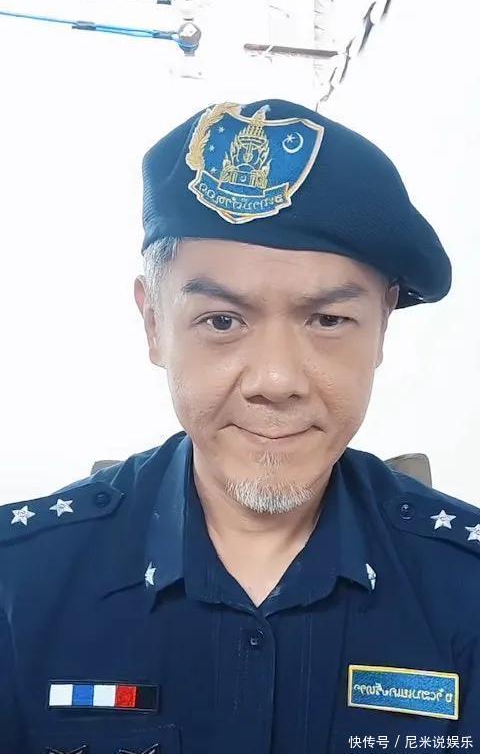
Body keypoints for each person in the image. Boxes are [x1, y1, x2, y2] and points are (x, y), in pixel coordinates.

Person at [1, 98, 479, 754]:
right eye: (222, 321)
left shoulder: (466, 588)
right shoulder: (19, 585)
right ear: (154, 324)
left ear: (382, 328)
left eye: (328, 320)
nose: (276, 380)